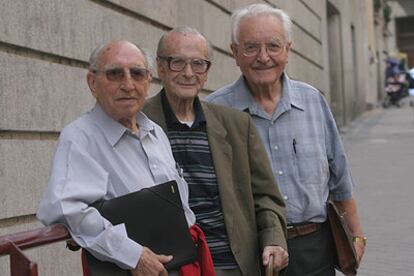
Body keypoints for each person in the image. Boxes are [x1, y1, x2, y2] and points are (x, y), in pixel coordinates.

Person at [206, 4, 366, 276]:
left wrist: (357, 235)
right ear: (234, 52)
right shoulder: (215, 111)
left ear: (288, 50)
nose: (263, 57)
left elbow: (339, 177)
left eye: (273, 46)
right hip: (250, 253)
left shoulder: (313, 100)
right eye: (251, 47)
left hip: (314, 247)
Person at [37, 40, 203, 276]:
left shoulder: (155, 132)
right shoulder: (81, 137)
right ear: (92, 83)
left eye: (137, 73)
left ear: (148, 82)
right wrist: (132, 256)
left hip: (180, 265)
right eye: (115, 74)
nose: (128, 84)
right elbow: (64, 209)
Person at [143, 26, 288, 276]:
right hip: (168, 267)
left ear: (207, 71)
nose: (189, 73)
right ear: (160, 66)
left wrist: (274, 238)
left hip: (231, 265)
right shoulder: (138, 123)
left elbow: (266, 198)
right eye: (178, 62)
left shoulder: (237, 125)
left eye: (198, 64)